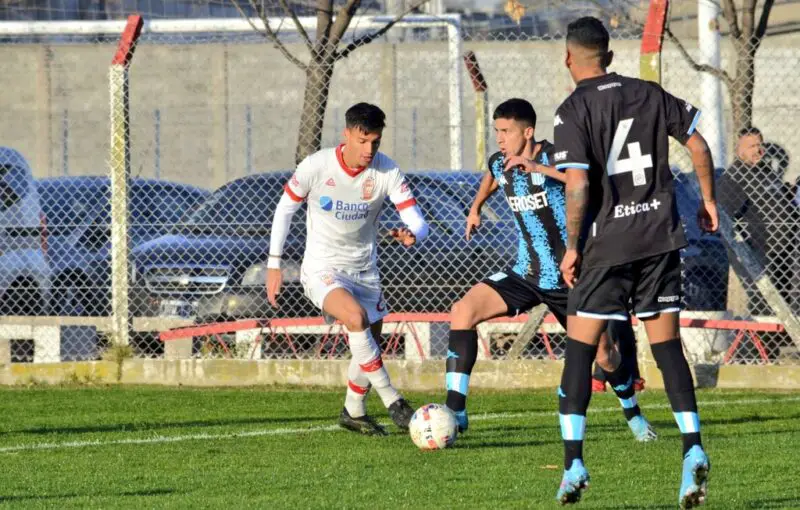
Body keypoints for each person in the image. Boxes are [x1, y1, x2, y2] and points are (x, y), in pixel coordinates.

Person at [553, 17, 718, 507]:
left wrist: (573, 244)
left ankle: (573, 463)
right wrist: (707, 201)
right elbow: (698, 144)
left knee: (581, 351)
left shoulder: (573, 109)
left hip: (607, 247)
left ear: (569, 58)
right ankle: (692, 449)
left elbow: (579, 184)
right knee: (666, 347)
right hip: (659, 237)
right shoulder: (649, 93)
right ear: (609, 55)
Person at [444, 98, 656, 443]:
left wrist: (538, 169)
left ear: (527, 132)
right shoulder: (501, 162)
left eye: (506, 131)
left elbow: (590, 183)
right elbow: (491, 177)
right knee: (462, 311)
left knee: (603, 353)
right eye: (496, 131)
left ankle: (632, 411)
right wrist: (475, 208)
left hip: (570, 278)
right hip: (525, 274)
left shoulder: (558, 156)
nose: (499, 138)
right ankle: (456, 411)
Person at [266, 103, 428, 436]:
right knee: (355, 319)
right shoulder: (317, 165)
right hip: (322, 268)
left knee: (369, 337)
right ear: (347, 134)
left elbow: (416, 219)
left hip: (365, 270)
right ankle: (393, 400)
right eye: (363, 140)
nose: (369, 150)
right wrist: (274, 264)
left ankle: (353, 411)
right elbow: (284, 210)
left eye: (376, 142)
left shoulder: (386, 171)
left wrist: (413, 233)